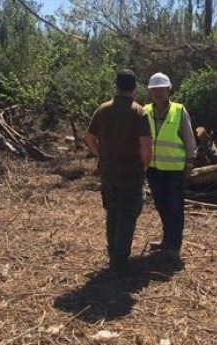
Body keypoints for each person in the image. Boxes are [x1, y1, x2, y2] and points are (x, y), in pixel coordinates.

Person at [84, 69, 152, 275]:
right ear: (135, 87)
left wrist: (100, 155)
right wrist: (145, 165)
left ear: (116, 86)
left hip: (108, 171)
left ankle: (113, 253)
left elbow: (88, 138)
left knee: (113, 212)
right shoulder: (139, 112)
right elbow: (146, 146)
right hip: (130, 171)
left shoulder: (102, 110)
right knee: (127, 215)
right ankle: (120, 261)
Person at [144, 72, 197, 260]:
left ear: (169, 90)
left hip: (174, 170)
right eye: (154, 89)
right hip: (153, 168)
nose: (158, 92)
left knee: (175, 208)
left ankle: (174, 246)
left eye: (162, 89)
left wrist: (190, 161)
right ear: (150, 91)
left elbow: (189, 137)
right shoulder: (145, 111)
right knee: (161, 206)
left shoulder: (179, 110)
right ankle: (166, 240)